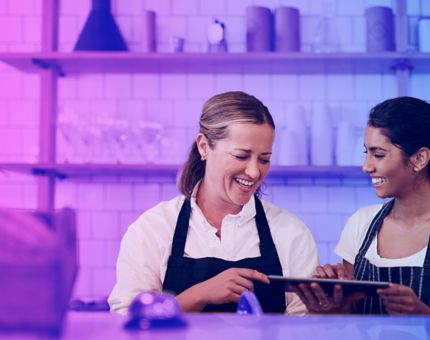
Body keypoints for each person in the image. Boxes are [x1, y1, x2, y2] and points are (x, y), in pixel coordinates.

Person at [108, 91, 319, 315]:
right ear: (204, 146)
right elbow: (127, 323)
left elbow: (303, 324)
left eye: (264, 159)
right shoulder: (154, 228)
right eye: (241, 156)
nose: (254, 171)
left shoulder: (290, 232)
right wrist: (199, 294)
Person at [293, 96, 430, 316]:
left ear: (419, 159)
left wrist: (423, 317)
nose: (366, 166)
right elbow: (347, 323)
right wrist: (331, 307)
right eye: (366, 153)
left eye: (378, 154)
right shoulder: (361, 224)